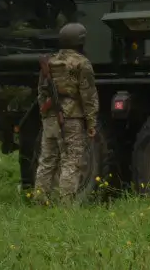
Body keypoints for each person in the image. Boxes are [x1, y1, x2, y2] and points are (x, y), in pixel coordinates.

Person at [33, 22, 99, 204]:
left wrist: (45, 114)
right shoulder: (82, 64)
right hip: (71, 119)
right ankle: (65, 205)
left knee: (47, 160)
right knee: (71, 161)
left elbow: (41, 92)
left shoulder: (51, 62)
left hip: (50, 117)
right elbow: (88, 96)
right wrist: (91, 123)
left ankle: (39, 200)